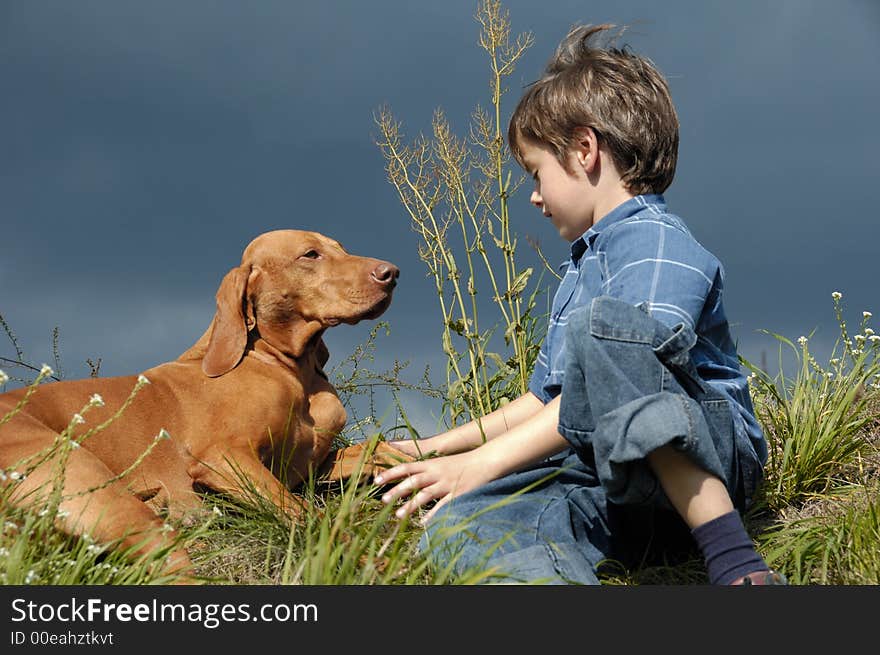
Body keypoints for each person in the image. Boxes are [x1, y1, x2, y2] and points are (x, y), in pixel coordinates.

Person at [374, 23, 785, 585]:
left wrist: (483, 463)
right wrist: (440, 448)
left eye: (537, 172)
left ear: (585, 150)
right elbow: (548, 401)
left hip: (705, 460)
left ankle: (735, 563)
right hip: (609, 484)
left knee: (608, 333)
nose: (536, 196)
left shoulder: (654, 240)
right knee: (470, 521)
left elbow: (632, 368)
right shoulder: (582, 266)